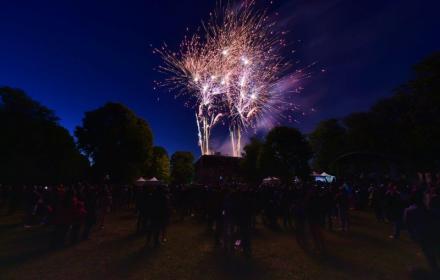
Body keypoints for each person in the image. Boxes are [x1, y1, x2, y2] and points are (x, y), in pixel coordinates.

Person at [405, 191, 440, 271]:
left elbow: (408, 225)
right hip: (429, 235)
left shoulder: (409, 210)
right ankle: (435, 270)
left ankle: (435, 269)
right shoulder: (429, 210)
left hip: (423, 236)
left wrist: (413, 235)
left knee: (430, 254)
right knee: (433, 252)